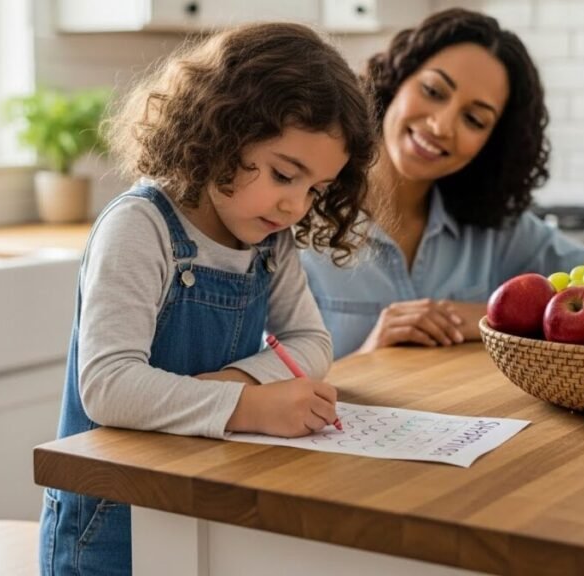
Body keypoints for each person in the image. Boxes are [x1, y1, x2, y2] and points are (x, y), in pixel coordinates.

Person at [39, 22, 375, 576]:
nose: (294, 204)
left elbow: (312, 342)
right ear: (221, 130)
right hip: (109, 525)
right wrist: (249, 406)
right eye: (283, 174)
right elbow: (107, 387)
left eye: (314, 189)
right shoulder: (140, 227)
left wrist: (230, 387)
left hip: (202, 508)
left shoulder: (269, 237)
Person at [301, 8, 584, 359]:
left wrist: (487, 314)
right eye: (433, 91)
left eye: (473, 119)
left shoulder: (494, 228)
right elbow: (267, 382)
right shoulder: (297, 210)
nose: (441, 126)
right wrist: (369, 355)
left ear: (491, 143)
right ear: (396, 80)